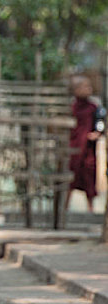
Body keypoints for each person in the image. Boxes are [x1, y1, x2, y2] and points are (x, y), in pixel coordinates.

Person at [65, 76, 102, 213]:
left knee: (89, 178)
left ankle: (90, 208)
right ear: (76, 89)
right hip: (73, 148)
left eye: (89, 86)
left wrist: (97, 133)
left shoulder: (93, 107)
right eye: (85, 87)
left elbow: (100, 122)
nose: (89, 89)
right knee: (69, 178)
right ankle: (65, 207)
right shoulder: (71, 107)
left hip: (88, 149)